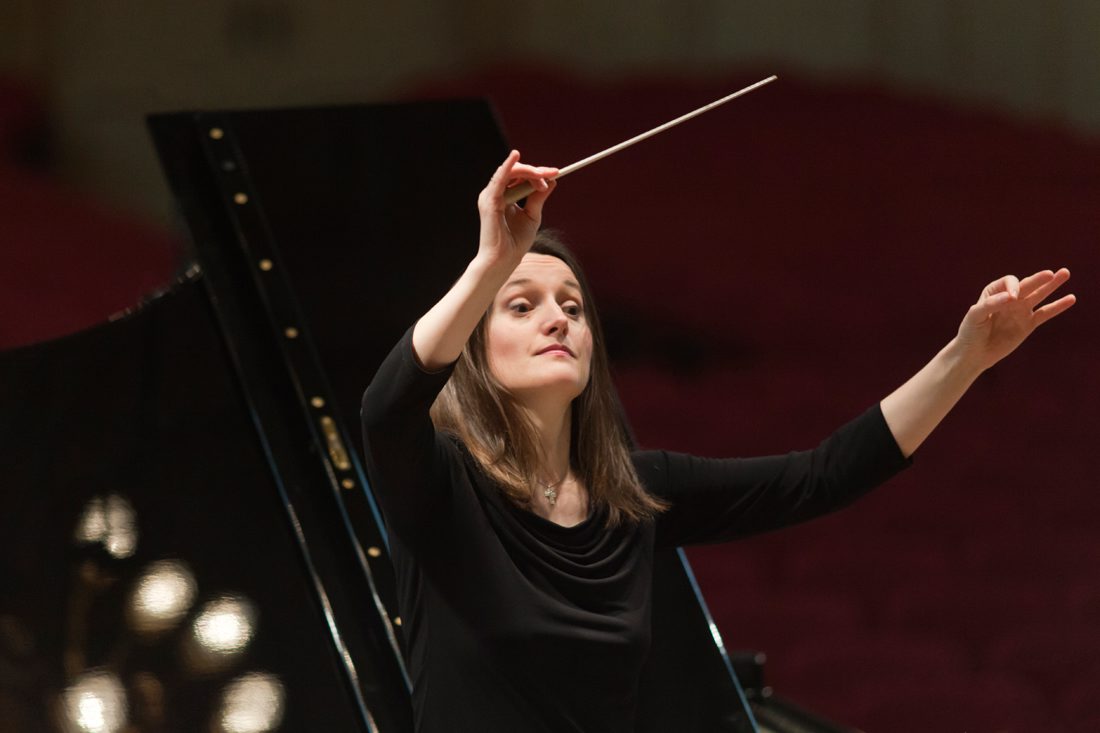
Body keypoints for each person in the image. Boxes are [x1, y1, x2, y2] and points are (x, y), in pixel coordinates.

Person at [360, 150, 1075, 732]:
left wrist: (967, 355)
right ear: (477, 353)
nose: (558, 320)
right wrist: (489, 264)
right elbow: (388, 406)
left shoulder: (636, 493)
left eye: (572, 308)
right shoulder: (439, 488)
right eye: (523, 306)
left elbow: (822, 474)